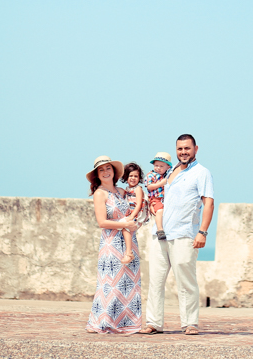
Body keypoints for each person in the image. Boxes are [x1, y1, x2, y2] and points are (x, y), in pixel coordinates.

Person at [138, 134, 214, 336]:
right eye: (180, 149)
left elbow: (209, 203)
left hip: (184, 234)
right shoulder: (170, 171)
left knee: (186, 281)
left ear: (196, 149)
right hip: (159, 234)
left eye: (187, 148)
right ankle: (154, 323)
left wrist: (202, 232)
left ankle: (190, 323)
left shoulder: (201, 173)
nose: (183, 152)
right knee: (155, 281)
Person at [84, 156, 142, 334]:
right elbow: (102, 222)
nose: (105, 172)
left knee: (129, 284)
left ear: (114, 172)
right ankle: (104, 321)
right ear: (97, 175)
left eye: (108, 168)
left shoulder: (122, 192)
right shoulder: (99, 193)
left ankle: (127, 322)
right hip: (111, 244)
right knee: (110, 284)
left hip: (129, 243)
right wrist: (124, 224)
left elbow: (137, 207)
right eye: (101, 170)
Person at [120, 162, 148, 264]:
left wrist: (131, 216)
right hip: (132, 215)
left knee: (125, 227)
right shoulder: (127, 190)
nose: (133, 178)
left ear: (139, 178)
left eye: (136, 176)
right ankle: (128, 252)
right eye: (130, 176)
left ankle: (129, 253)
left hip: (138, 215)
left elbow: (139, 204)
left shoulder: (138, 189)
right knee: (124, 228)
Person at [144, 152, 173, 240]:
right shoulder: (151, 175)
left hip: (164, 198)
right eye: (156, 165)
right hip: (155, 198)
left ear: (168, 167)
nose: (158, 168)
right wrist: (161, 183)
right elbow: (149, 186)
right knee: (159, 211)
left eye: (161, 166)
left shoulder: (166, 175)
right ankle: (159, 229)